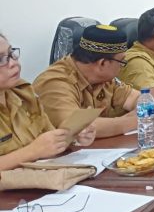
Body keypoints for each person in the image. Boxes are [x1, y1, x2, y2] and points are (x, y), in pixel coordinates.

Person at [34, 25, 154, 138]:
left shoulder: (104, 79)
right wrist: (138, 121)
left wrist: (140, 111)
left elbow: (137, 99)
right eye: (121, 62)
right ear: (103, 63)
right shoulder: (55, 82)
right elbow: (77, 127)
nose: (122, 67)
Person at [0, 32, 96, 171]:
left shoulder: (24, 94)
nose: (13, 63)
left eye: (11, 54)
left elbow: (47, 140)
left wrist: (75, 137)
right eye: (1, 60)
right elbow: (38, 149)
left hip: (42, 176)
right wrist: (32, 151)